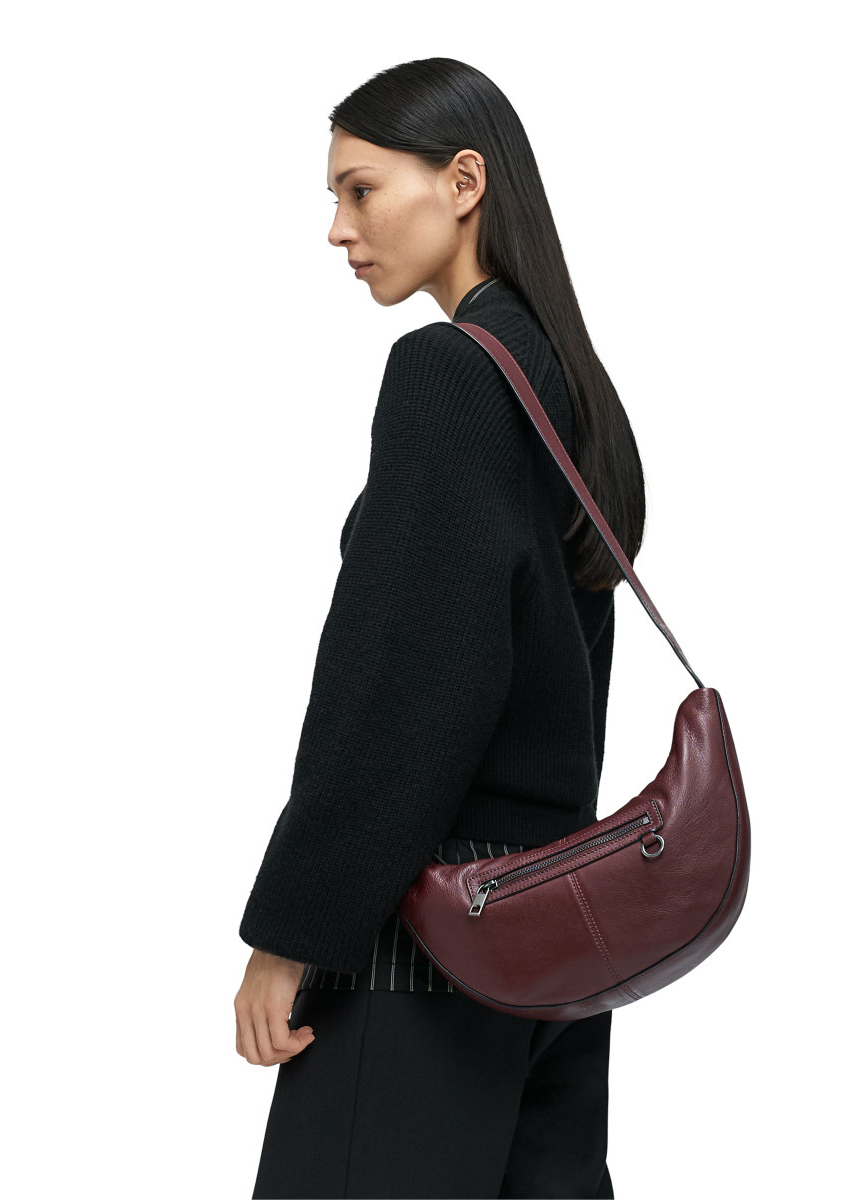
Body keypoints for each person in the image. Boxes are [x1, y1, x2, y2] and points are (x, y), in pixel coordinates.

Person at [234, 57, 649, 1199]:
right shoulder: (566, 383)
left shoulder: (448, 376)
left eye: (360, 190)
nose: (338, 228)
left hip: (424, 943)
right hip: (554, 946)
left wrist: (294, 929)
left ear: (463, 183)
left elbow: (403, 686)